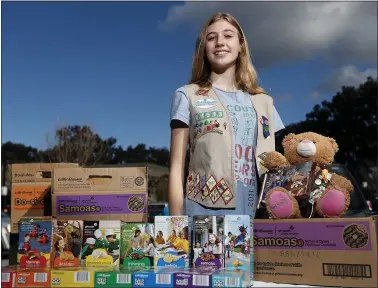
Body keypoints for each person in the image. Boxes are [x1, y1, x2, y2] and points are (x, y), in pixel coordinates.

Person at [168, 12, 285, 217]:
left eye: (228, 35)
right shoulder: (187, 95)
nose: (220, 42)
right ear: (204, 49)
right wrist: (176, 227)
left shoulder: (264, 101)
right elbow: (176, 169)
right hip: (205, 216)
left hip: (260, 215)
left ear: (241, 45)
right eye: (211, 38)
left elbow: (283, 162)